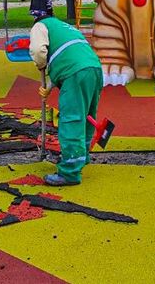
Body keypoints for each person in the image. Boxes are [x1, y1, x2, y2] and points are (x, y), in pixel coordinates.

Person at [32, 14, 103, 186]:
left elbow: (38, 51)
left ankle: (70, 171)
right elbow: (66, 56)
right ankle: (82, 156)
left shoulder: (40, 26)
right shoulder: (66, 28)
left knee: (71, 118)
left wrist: (40, 64)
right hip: (94, 69)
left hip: (75, 73)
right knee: (86, 115)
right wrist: (48, 87)